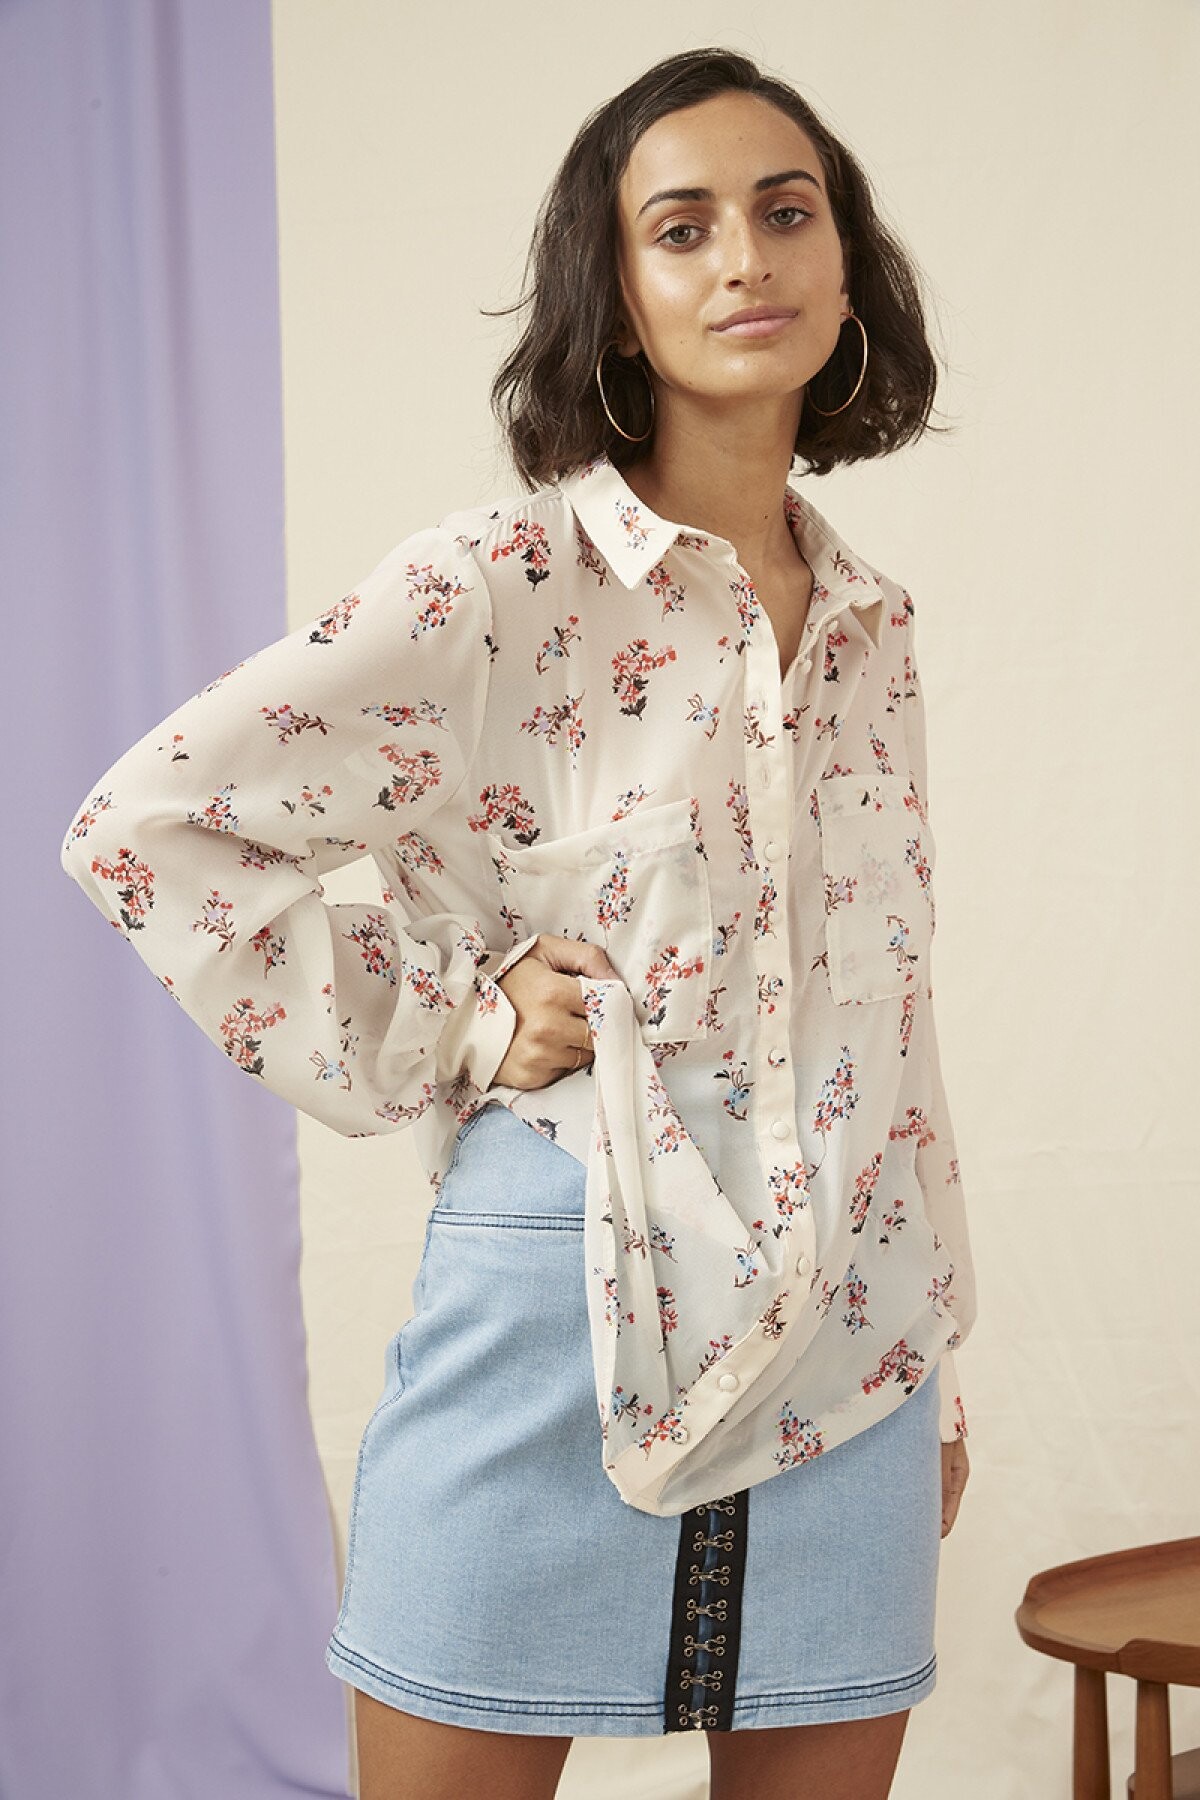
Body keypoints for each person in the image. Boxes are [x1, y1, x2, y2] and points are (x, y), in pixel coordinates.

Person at [60, 45, 975, 1800]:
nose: (746, 259)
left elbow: (889, 1009)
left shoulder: (876, 623)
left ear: (848, 266)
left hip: (851, 1353)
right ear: (616, 297)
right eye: (683, 228)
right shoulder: (494, 588)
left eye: (788, 214)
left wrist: (932, 1343)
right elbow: (149, 830)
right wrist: (462, 1021)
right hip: (555, 1313)